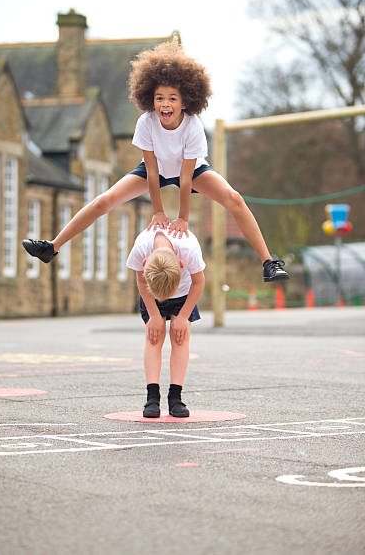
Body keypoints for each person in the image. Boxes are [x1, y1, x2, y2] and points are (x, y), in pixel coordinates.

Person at [22, 39, 289, 282]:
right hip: (156, 170)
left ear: (185, 102)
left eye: (172, 98)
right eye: (159, 98)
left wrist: (182, 217)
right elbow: (151, 172)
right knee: (104, 200)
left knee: (234, 199)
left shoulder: (193, 127)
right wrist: (158, 212)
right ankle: (52, 246)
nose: (165, 104)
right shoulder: (146, 123)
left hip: (192, 171)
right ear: (150, 98)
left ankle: (268, 262)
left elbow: (185, 177)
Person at [126, 226, 205, 418]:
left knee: (180, 337)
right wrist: (154, 315)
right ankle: (152, 397)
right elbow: (142, 282)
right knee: (154, 337)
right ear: (145, 263)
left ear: (181, 263)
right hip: (152, 294)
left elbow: (199, 282)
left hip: (184, 294)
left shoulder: (189, 248)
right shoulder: (140, 248)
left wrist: (184, 316)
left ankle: (175, 397)